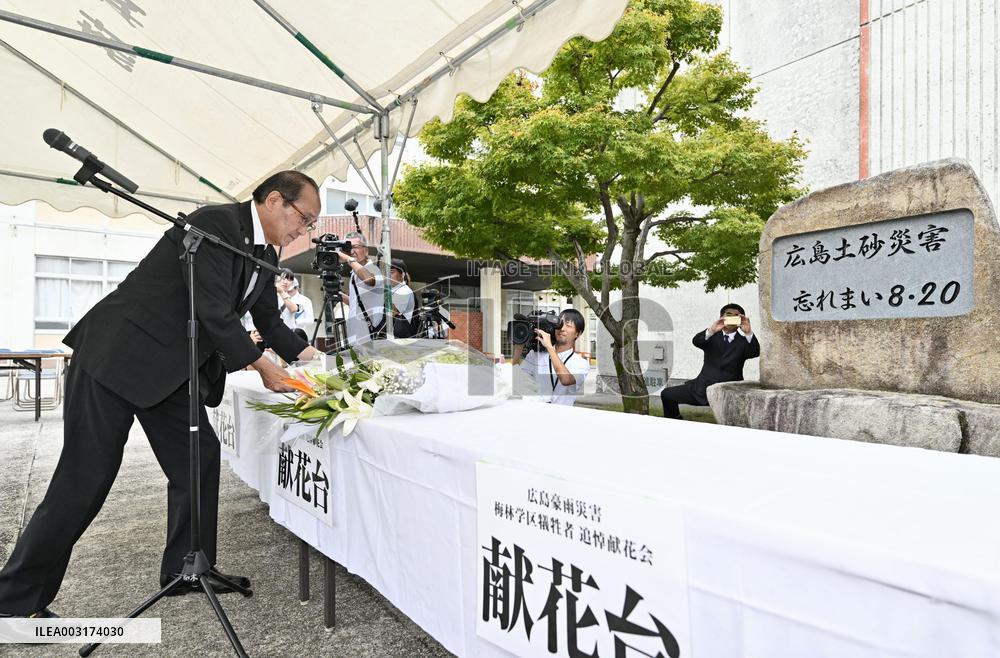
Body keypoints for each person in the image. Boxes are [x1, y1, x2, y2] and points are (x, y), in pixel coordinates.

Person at [0, 171, 321, 618]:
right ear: (274, 201)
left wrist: (312, 359)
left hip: (171, 370)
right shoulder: (216, 225)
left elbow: (269, 319)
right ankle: (14, 600)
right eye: (304, 218)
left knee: (199, 459)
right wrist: (261, 365)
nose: (303, 231)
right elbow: (211, 309)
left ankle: (186, 570)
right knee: (83, 482)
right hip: (115, 357)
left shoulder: (265, 253)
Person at [659, 303, 760, 420]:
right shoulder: (711, 336)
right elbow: (696, 341)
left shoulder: (743, 342)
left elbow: (755, 352)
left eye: (736, 316)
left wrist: (748, 332)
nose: (732, 317)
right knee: (667, 394)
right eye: (729, 315)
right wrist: (711, 330)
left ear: (741, 320)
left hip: (728, 392)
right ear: (722, 317)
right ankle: (675, 420)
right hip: (701, 389)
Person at [512, 309, 590, 406]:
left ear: (578, 333)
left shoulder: (581, 363)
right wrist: (518, 350)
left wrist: (549, 347)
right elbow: (516, 379)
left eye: (568, 325)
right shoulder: (535, 354)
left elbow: (567, 380)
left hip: (563, 416)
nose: (562, 328)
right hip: (535, 413)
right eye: (560, 324)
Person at [337, 231, 384, 345]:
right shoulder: (354, 273)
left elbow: (369, 280)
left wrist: (348, 259)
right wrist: (338, 295)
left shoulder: (373, 269)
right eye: (348, 247)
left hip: (369, 336)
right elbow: (355, 303)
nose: (352, 251)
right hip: (356, 335)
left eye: (355, 247)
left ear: (366, 250)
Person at [388, 258, 418, 338]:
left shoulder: (404, 290)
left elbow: (391, 312)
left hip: (401, 342)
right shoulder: (393, 290)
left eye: (391, 272)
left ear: (402, 274)